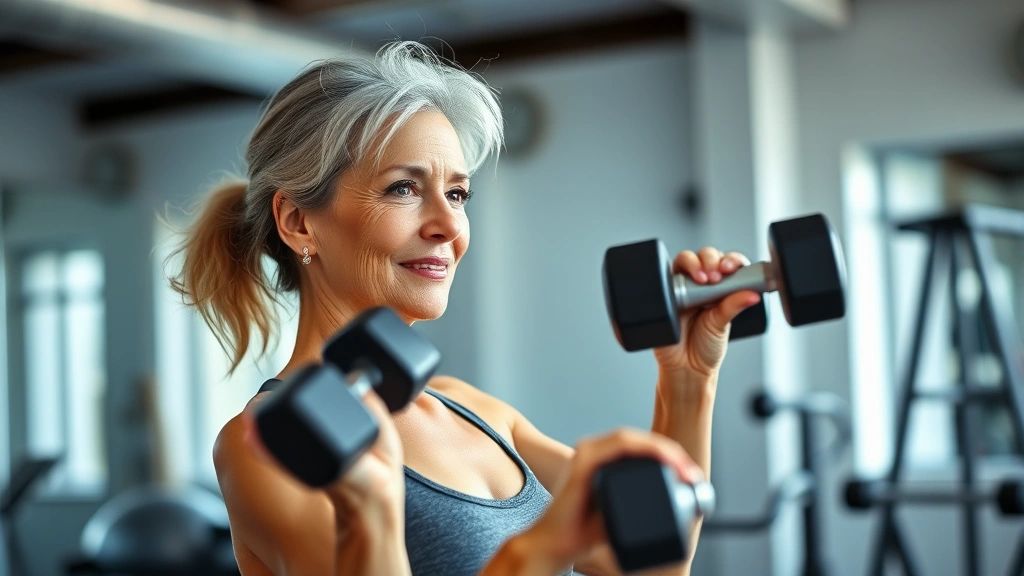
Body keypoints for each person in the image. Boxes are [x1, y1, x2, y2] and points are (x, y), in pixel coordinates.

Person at [169, 41, 760, 576]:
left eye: (457, 193)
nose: (449, 225)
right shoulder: (262, 444)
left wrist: (686, 379)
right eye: (403, 187)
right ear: (299, 222)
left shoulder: (478, 414)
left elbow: (652, 561)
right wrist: (539, 552)